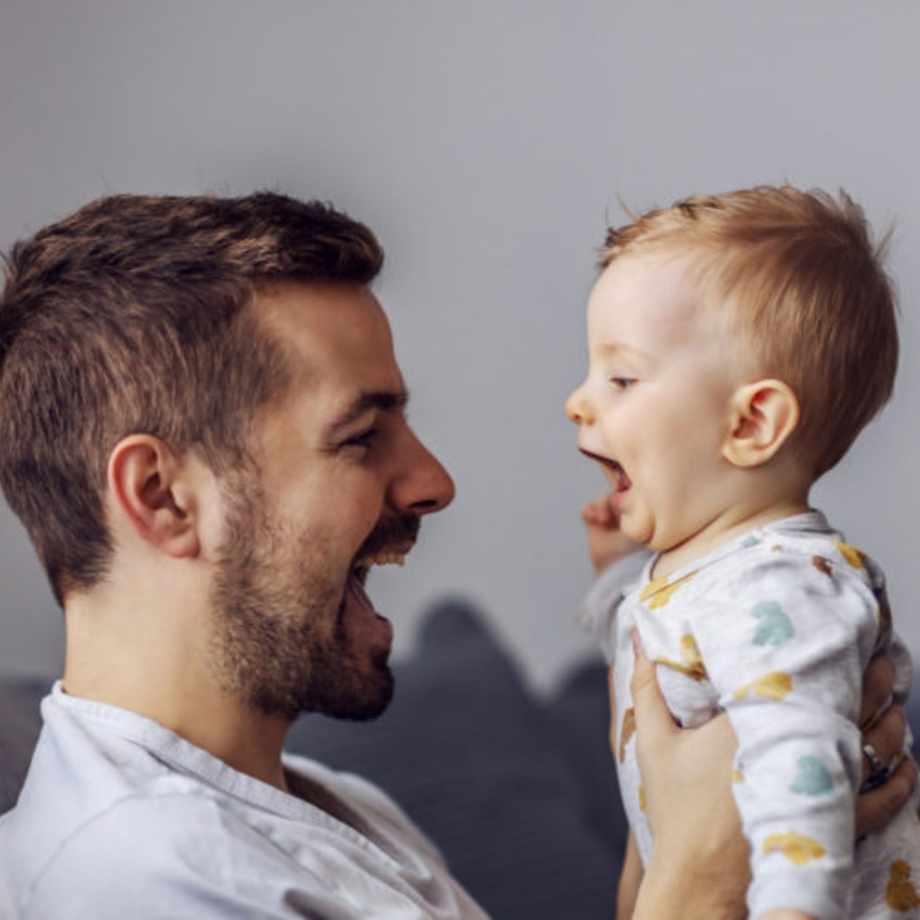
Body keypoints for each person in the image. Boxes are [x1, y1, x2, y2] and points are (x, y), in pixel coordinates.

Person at [0, 192, 911, 919]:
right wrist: (703, 876)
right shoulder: (143, 882)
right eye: (361, 436)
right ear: (162, 497)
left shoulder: (343, 809)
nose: (435, 482)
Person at [566, 185, 920, 919]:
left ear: (752, 424)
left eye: (621, 378)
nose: (579, 400)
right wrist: (617, 581)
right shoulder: (717, 572)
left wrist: (794, 908)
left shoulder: (783, 589)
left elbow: (800, 767)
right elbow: (664, 656)